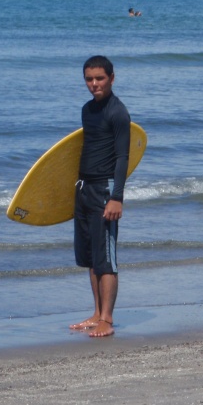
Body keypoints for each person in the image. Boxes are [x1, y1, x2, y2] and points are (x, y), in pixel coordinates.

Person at [69, 55, 131, 338]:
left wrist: (116, 197)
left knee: (106, 258)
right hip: (84, 189)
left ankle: (107, 318)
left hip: (105, 190)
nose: (94, 84)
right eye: (89, 79)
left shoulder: (118, 113)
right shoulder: (87, 110)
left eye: (99, 78)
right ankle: (96, 313)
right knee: (91, 257)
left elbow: (122, 157)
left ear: (112, 78)